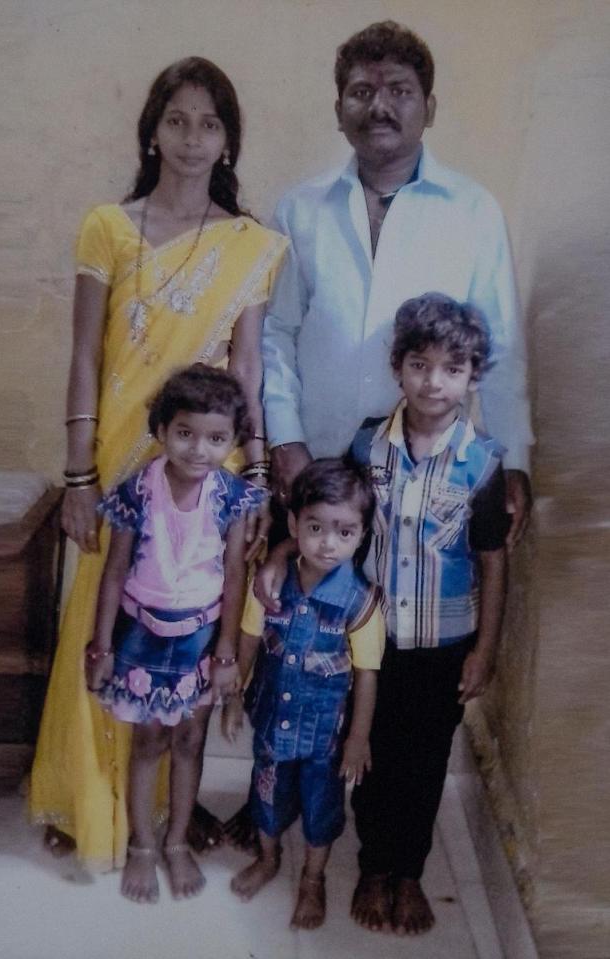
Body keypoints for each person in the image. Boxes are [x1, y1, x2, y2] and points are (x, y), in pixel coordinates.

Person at [29, 56, 287, 871]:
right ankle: (86, 798)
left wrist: (249, 483)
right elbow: (83, 355)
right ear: (151, 129)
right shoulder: (108, 225)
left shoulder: (251, 245)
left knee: (191, 616)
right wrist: (78, 475)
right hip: (118, 462)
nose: (191, 137)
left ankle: (172, 812)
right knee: (100, 618)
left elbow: (246, 373)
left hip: (206, 472)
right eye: (176, 119)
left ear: (229, 141)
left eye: (210, 122)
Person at [262, 21, 533, 544]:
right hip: (315, 468)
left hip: (433, 477)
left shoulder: (473, 211)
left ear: (428, 109)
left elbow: (500, 345)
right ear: (338, 110)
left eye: (400, 92)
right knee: (309, 619)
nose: (379, 106)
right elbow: (276, 335)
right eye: (361, 92)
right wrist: (284, 439)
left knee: (417, 623)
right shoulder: (300, 210)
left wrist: (513, 458)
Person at [347, 292, 510, 934]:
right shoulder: (367, 447)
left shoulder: (483, 462)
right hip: (374, 641)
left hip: (445, 644)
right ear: (398, 367)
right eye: (420, 364)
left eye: (452, 368)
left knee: (424, 759)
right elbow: (347, 538)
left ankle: (407, 870)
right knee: (367, 751)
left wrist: (485, 650)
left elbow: (494, 562)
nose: (433, 381)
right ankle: (371, 865)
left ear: (472, 376)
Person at [86, 365, 266, 902]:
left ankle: (177, 839)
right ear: (161, 430)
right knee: (148, 743)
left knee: (190, 740)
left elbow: (236, 574)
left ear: (233, 441)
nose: (198, 450)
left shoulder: (232, 497)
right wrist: (102, 646)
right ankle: (143, 844)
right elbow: (114, 573)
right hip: (141, 639)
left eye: (216, 438)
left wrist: (228, 650)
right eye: (185, 433)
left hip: (202, 641)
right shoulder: (136, 492)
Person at [224, 459, 384, 929]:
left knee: (321, 808)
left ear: (361, 534)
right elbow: (249, 641)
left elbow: (367, 675)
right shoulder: (270, 585)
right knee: (266, 796)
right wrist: (235, 698)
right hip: (272, 720)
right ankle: (269, 857)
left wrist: (358, 739)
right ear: (293, 524)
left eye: (344, 531)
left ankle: (313, 878)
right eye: (315, 528)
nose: (327, 543)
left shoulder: (362, 603)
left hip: (326, 739)